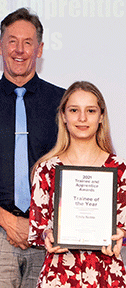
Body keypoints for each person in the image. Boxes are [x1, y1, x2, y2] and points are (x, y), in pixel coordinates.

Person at [0, 8, 65, 287]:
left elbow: (72, 170)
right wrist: (8, 221)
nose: (19, 50)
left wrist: (40, 226)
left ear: (40, 48)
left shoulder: (63, 103)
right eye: (12, 41)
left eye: (28, 42)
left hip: (50, 233)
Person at [29, 81, 126, 287]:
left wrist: (122, 235)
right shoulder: (46, 170)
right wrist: (47, 234)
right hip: (59, 275)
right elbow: (38, 227)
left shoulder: (120, 170)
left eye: (90, 110)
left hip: (106, 275)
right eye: (74, 110)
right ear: (63, 116)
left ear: (101, 117)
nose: (82, 118)